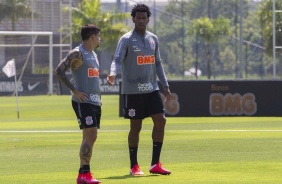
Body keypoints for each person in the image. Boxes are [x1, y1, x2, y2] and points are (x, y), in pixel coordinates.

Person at [107, 4, 171, 176]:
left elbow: (158, 63)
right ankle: (134, 165)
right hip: (133, 91)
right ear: (133, 19)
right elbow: (117, 59)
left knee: (161, 121)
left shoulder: (153, 39)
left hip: (151, 89)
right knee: (136, 127)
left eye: (144, 17)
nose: (141, 20)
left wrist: (165, 85)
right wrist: (113, 73)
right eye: (138, 17)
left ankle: (155, 164)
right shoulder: (126, 39)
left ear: (148, 19)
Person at [55, 24, 102, 184]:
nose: (100, 39)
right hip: (83, 101)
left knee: (89, 137)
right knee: (92, 135)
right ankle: (87, 174)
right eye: (98, 36)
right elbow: (59, 71)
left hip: (95, 102)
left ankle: (82, 175)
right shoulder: (77, 53)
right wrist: (74, 90)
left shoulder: (93, 54)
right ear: (92, 36)